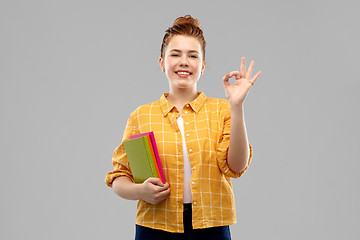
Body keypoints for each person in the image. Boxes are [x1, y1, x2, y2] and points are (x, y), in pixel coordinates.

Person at [105, 15, 261, 240]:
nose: (184, 61)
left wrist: (236, 106)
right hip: (155, 227)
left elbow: (236, 166)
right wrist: (141, 191)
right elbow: (119, 177)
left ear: (203, 66)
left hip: (211, 227)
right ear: (162, 63)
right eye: (175, 54)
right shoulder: (141, 116)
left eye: (193, 55)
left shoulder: (222, 110)